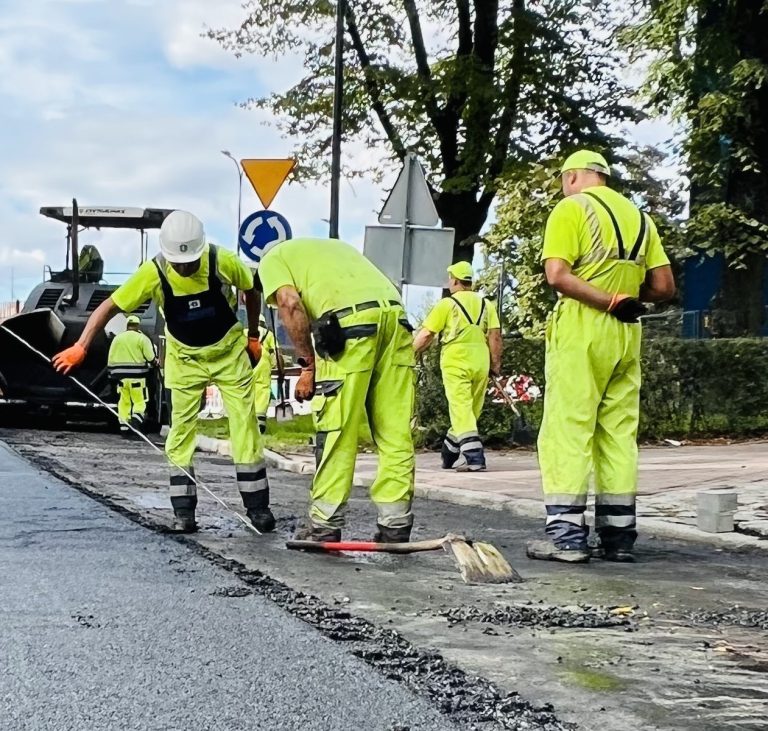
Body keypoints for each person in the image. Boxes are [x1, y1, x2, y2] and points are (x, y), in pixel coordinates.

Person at [52, 210, 275, 535]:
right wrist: (81, 346)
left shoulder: (221, 260)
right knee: (180, 432)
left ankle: (258, 507)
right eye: (177, 263)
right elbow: (109, 307)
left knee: (245, 424)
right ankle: (184, 512)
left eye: (189, 262)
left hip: (228, 353)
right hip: (184, 360)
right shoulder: (153, 272)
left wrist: (253, 336)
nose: (183, 268)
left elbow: (252, 290)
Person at [529, 150, 675, 564]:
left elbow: (557, 275)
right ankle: (618, 537)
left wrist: (609, 300)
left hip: (583, 328)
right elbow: (664, 287)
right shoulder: (641, 219)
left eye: (563, 180)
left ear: (573, 176)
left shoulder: (571, 208)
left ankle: (567, 537)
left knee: (568, 429)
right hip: (627, 333)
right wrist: (626, 296)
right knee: (618, 432)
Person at [255, 237, 416, 543]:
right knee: (395, 429)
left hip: (350, 326)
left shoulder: (272, 260)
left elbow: (290, 303)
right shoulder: (330, 249)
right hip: (397, 319)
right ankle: (395, 522)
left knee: (338, 428)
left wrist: (308, 365)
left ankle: (325, 523)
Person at [413, 262, 502, 471]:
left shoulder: (447, 304)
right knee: (471, 411)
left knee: (461, 408)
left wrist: (410, 353)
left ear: (454, 280)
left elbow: (426, 334)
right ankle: (449, 453)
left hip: (455, 361)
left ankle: (474, 457)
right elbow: (495, 337)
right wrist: (495, 364)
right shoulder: (486, 305)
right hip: (481, 361)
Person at [107, 314, 156, 435]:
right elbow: (150, 357)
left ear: (127, 325)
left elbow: (111, 358)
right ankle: (136, 421)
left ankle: (124, 429)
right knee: (140, 401)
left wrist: (111, 375)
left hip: (121, 378)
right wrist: (155, 362)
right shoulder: (142, 338)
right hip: (138, 377)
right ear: (138, 325)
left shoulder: (117, 338)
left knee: (124, 402)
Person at [252, 312, 278, 434]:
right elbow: (276, 352)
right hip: (263, 366)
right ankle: (260, 419)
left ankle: (248, 418)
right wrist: (279, 367)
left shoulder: (245, 332)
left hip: (250, 364)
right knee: (263, 390)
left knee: (248, 390)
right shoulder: (269, 334)